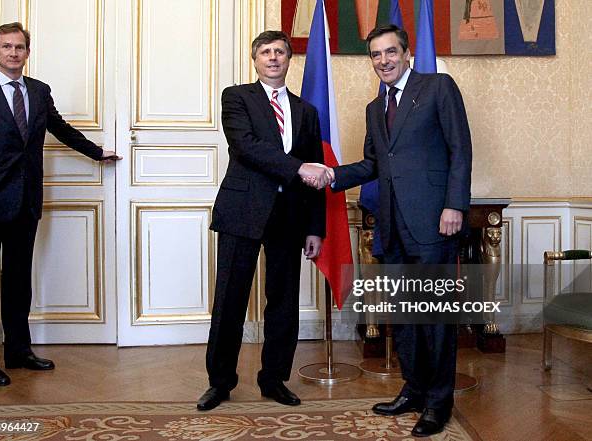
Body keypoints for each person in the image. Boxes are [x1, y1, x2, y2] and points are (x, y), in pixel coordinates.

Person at [318, 24, 472, 437]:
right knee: (404, 315)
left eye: (390, 52)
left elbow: (460, 148)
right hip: (391, 226)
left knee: (435, 317)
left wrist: (454, 205)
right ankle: (414, 389)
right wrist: (332, 174)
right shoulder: (375, 107)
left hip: (434, 221)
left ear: (406, 53)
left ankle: (439, 404)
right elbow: (373, 164)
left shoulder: (438, 87)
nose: (383, 61)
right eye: (376, 55)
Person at [0, 22, 120, 387]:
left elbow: (60, 128)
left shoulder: (39, 92)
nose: (13, 53)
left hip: (25, 201)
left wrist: (97, 153)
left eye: (20, 47)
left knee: (17, 280)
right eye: (6, 46)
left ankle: (18, 351)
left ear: (28, 52)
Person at [196, 30, 330, 411]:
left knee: (284, 303)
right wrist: (298, 167)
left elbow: (316, 172)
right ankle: (219, 383)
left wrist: (315, 227)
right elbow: (247, 147)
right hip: (243, 211)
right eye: (266, 52)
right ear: (255, 60)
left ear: (289, 60)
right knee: (230, 301)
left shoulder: (307, 111)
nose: (273, 58)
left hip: (289, 217)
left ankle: (274, 380)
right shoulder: (236, 97)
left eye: (280, 52)